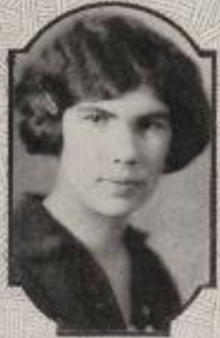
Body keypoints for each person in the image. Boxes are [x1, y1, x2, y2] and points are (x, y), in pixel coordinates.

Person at [10, 10, 210, 335]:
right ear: (52, 124)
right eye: (97, 119)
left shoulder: (150, 270)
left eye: (149, 124)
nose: (127, 153)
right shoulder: (14, 263)